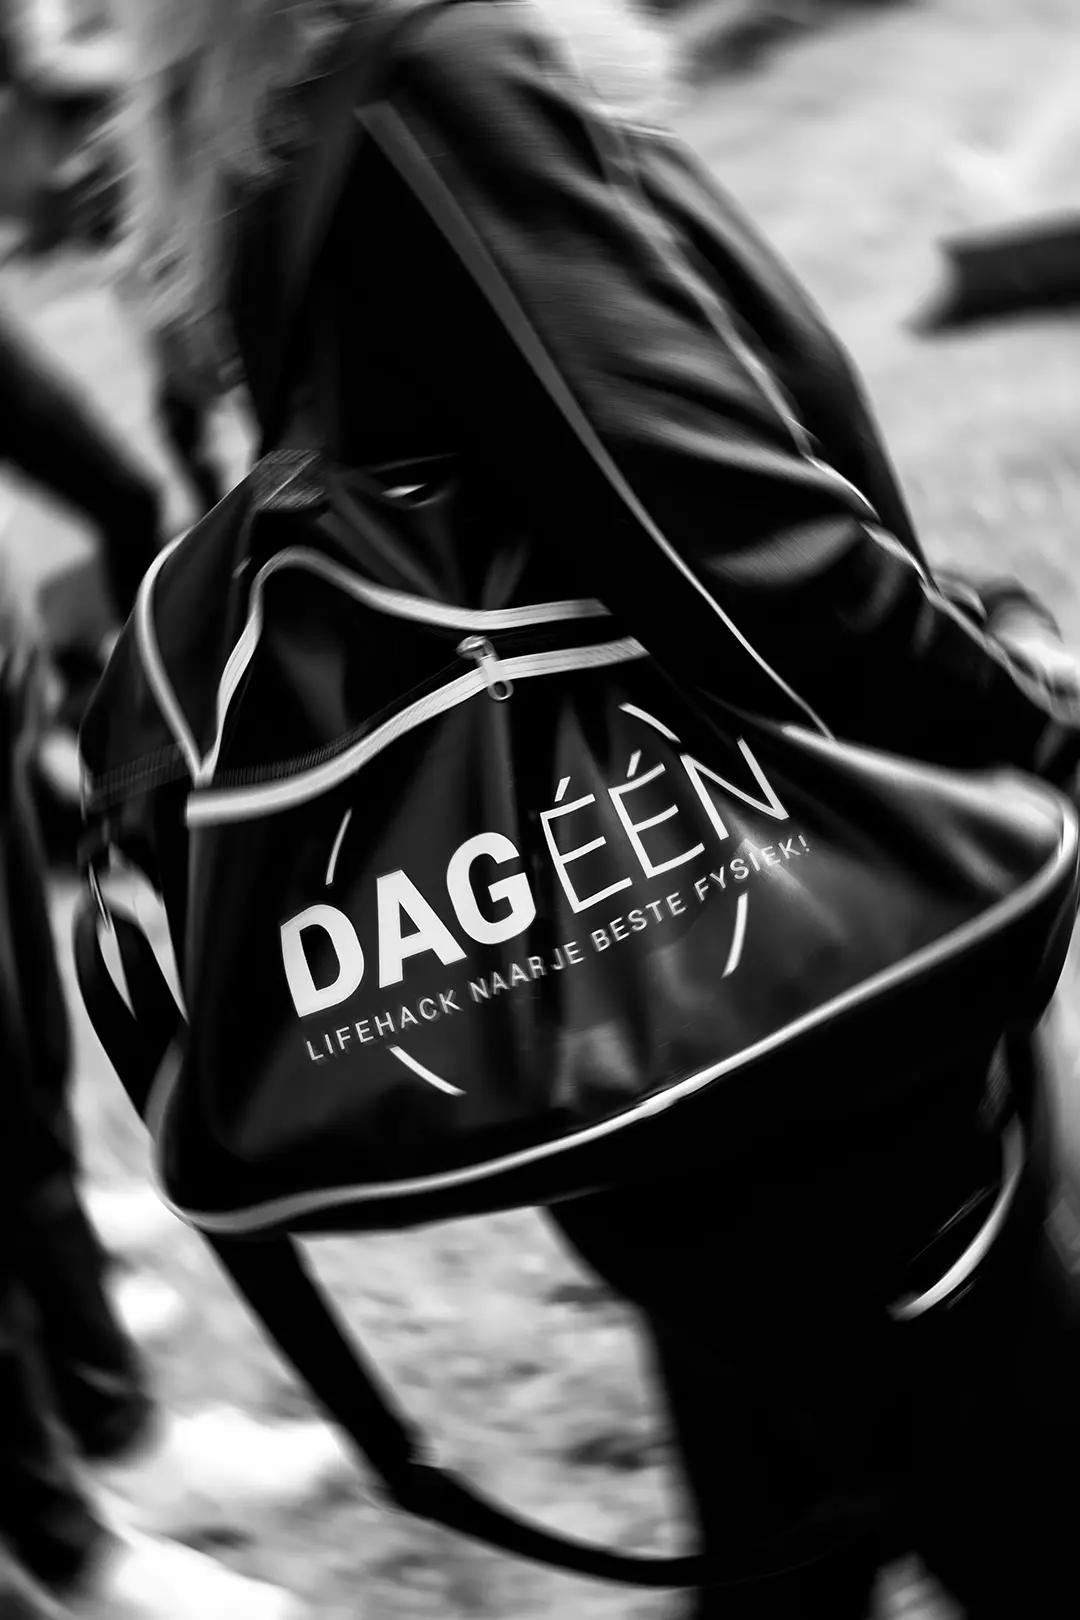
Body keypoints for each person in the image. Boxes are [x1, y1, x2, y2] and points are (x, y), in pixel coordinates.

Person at [109, 1, 1080, 1616]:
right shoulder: (436, 79)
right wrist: (1026, 719)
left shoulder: (298, 117)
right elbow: (721, 536)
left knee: (800, 1525)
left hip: (674, 1007)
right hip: (799, 990)